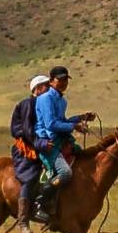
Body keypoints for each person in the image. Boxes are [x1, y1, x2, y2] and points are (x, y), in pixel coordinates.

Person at [30, 65, 96, 217]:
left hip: (60, 139)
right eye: (61, 79)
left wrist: (80, 117)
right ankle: (39, 202)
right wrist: (74, 126)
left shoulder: (62, 101)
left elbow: (62, 121)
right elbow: (51, 124)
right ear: (51, 81)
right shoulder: (45, 98)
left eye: (66, 79)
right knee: (65, 173)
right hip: (49, 142)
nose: (64, 82)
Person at [10, 72, 50, 233]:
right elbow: (26, 131)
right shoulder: (28, 104)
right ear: (38, 89)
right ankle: (23, 221)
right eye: (46, 87)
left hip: (41, 145)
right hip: (27, 149)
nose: (49, 90)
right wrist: (40, 143)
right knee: (30, 177)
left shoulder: (44, 104)